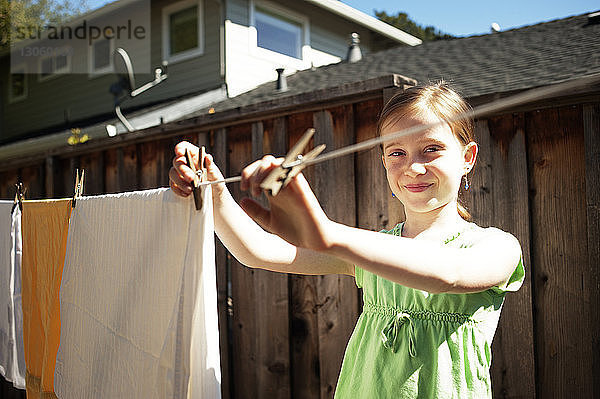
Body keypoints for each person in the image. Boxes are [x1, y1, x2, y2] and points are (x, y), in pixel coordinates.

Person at [169, 82, 524, 398]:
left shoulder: (496, 247)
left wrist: (326, 234)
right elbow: (258, 252)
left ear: (467, 158)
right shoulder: (372, 249)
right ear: (383, 159)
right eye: (396, 152)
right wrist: (213, 193)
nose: (413, 167)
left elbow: (449, 274)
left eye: (431, 149)